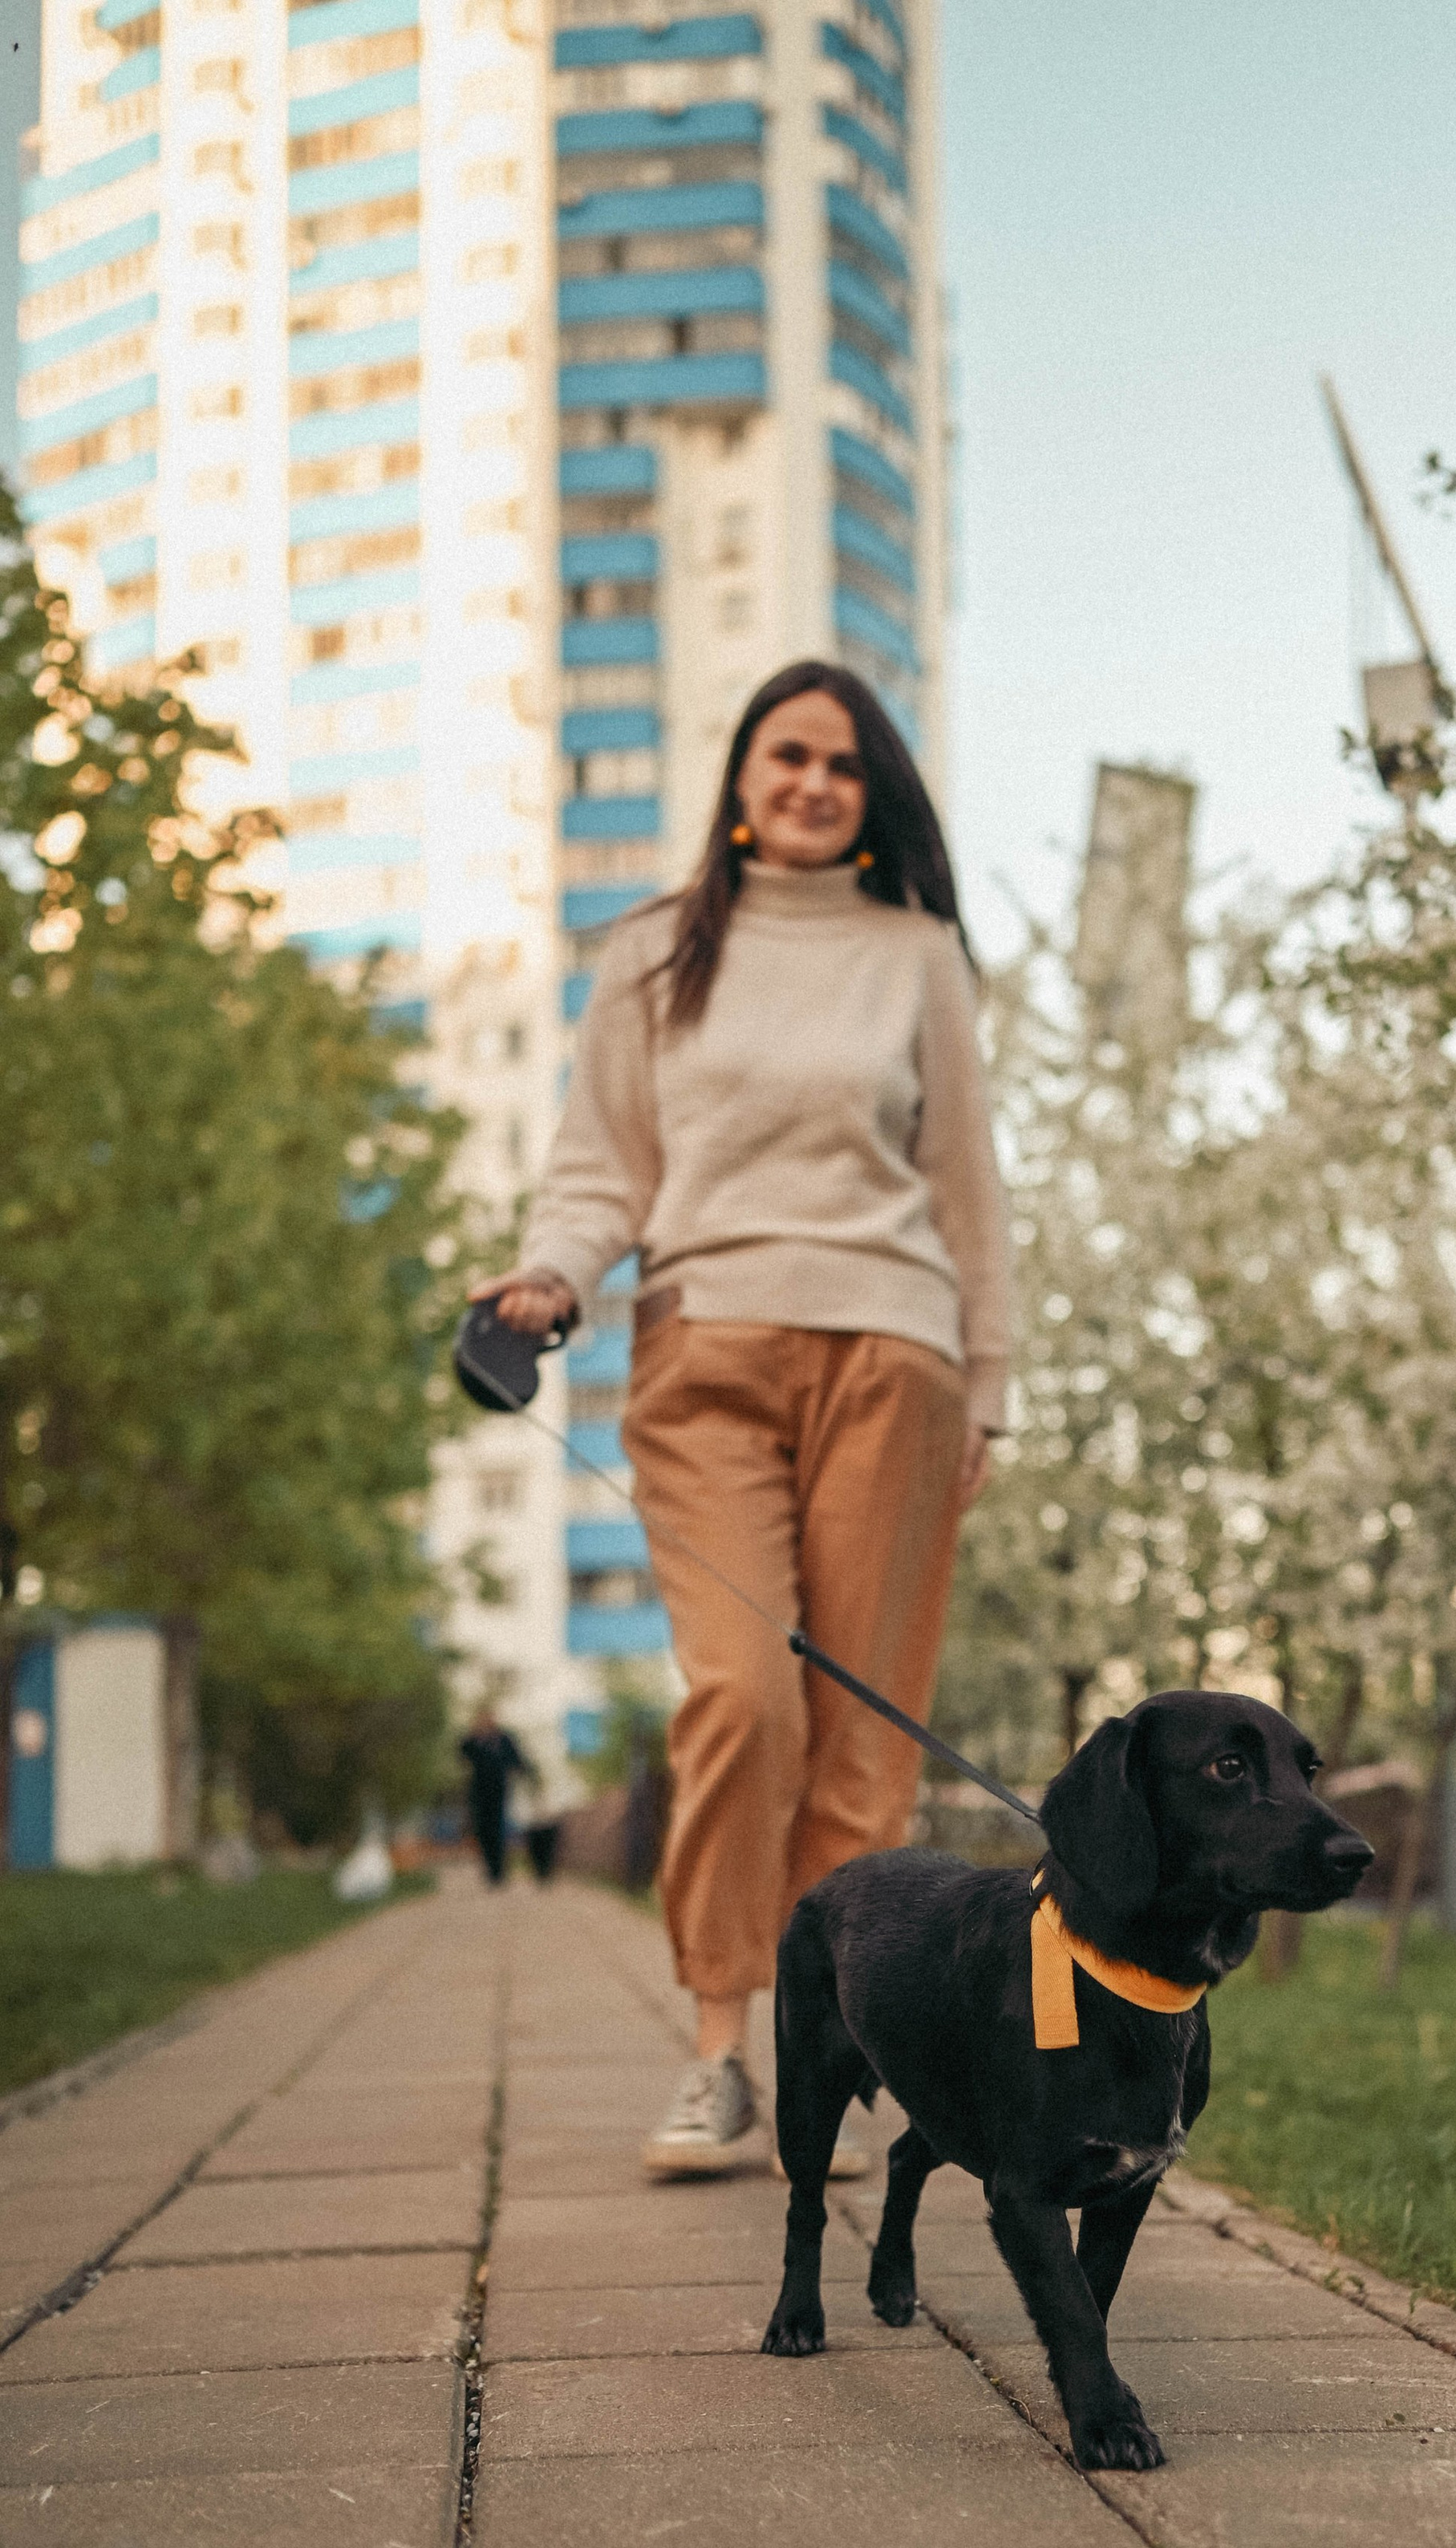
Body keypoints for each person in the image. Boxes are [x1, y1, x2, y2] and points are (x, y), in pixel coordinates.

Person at [470, 663, 1008, 2177]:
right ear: (742, 776)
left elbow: (969, 1188)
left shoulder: (915, 957)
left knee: (860, 1742)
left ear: (872, 796)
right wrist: (553, 1279)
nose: (813, 784)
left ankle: (823, 2059)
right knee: (742, 1702)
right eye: (788, 755)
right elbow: (598, 1169)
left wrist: (996, 1385)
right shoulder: (655, 951)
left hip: (898, 1358)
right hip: (703, 1350)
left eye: (845, 766)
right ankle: (717, 2052)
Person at [458, 1710, 537, 1889]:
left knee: (498, 1831)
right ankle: (490, 1870)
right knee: (483, 1831)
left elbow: (517, 1760)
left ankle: (498, 1873)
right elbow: (462, 1753)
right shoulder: (475, 1740)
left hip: (499, 1792)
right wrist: (475, 1736)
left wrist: (526, 1773)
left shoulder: (503, 1740)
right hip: (478, 1792)